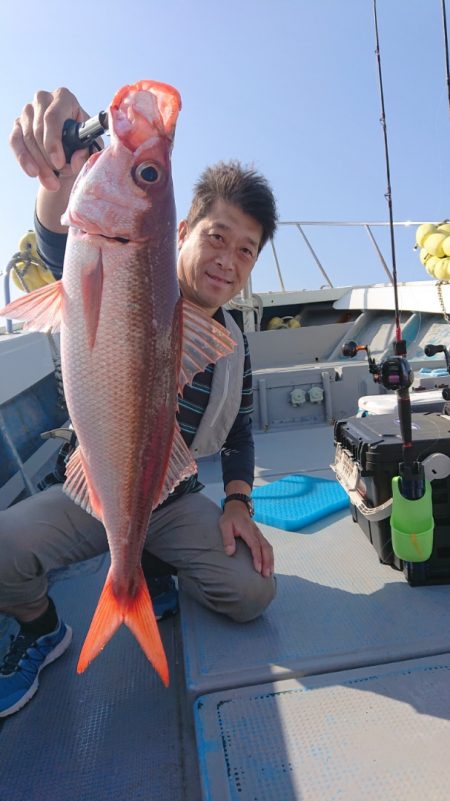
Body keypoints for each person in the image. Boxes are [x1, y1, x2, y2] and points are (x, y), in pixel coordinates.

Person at [0, 87, 278, 718]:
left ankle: (145, 562)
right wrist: (59, 180)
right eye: (217, 236)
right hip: (94, 487)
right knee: (1, 546)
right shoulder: (109, 257)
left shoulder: (230, 339)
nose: (227, 261)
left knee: (253, 592)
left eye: (246, 250)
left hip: (172, 497)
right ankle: (45, 630)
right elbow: (54, 249)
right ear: (179, 230)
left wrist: (236, 502)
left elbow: (239, 434)